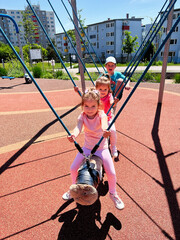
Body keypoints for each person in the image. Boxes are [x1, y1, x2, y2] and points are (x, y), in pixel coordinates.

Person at [62, 88, 125, 210]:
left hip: (102, 149)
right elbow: (78, 128)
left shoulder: (102, 115)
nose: (89, 109)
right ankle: (74, 188)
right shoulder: (82, 116)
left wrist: (105, 131)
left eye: (92, 106)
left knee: (111, 173)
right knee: (73, 168)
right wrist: (73, 135)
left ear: (98, 106)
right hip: (87, 148)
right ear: (82, 105)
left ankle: (113, 193)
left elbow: (104, 125)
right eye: (86, 106)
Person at [95, 74, 118, 158]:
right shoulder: (95, 96)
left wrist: (114, 102)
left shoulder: (109, 96)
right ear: (96, 89)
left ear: (108, 89)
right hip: (98, 119)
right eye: (100, 89)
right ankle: (98, 147)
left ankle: (113, 147)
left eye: (105, 89)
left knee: (113, 131)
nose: (103, 91)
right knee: (97, 133)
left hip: (108, 118)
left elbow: (112, 103)